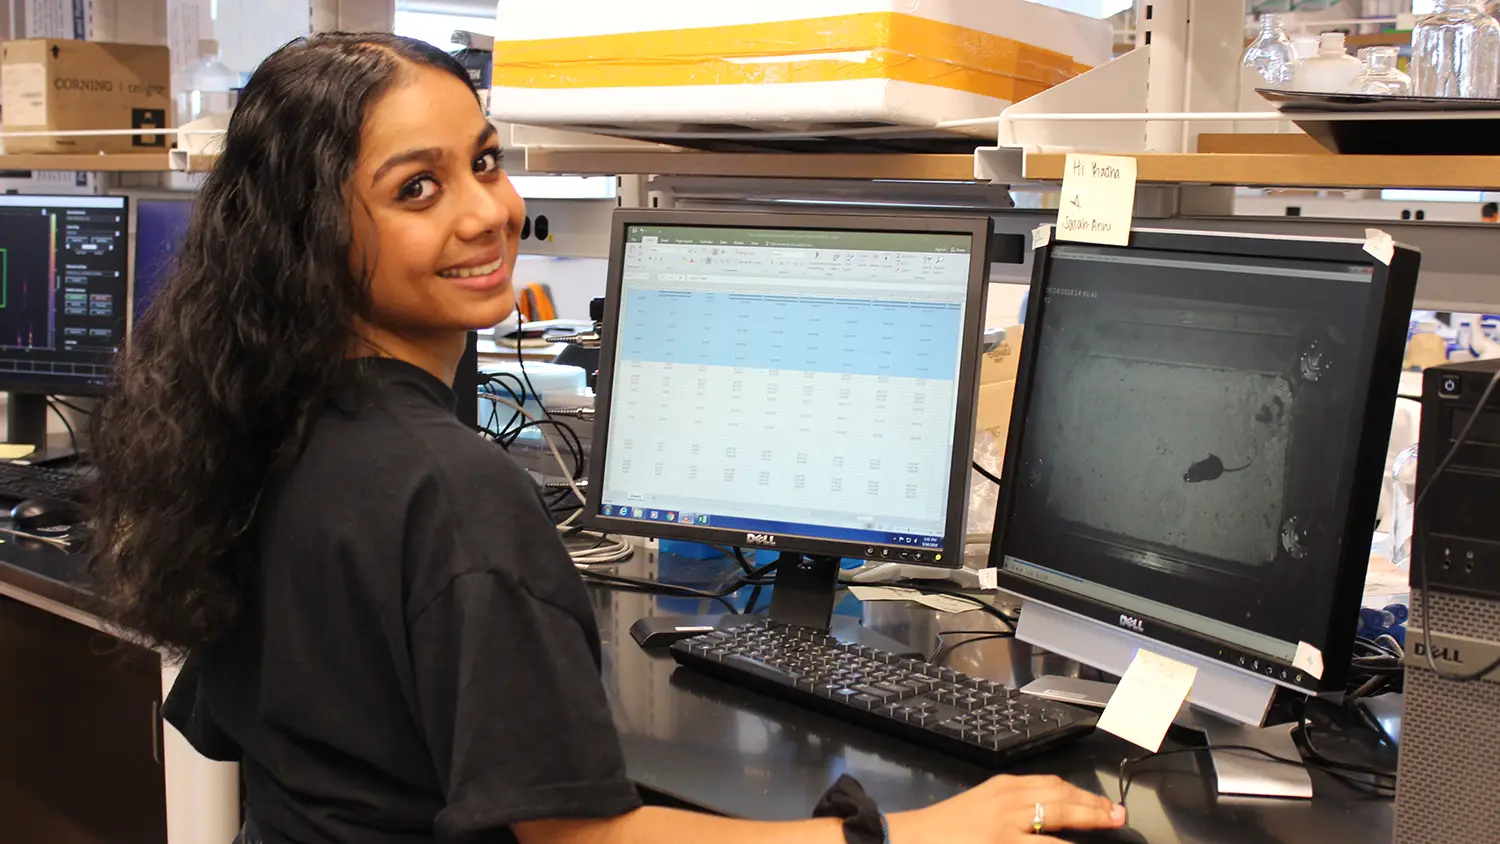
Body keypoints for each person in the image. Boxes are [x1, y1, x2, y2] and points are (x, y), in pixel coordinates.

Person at [87, 33, 1128, 844]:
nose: (487, 211)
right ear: (314, 233)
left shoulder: (257, 425)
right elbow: (585, 835)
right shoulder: (451, 495)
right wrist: (909, 829)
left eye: (485, 162)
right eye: (418, 187)